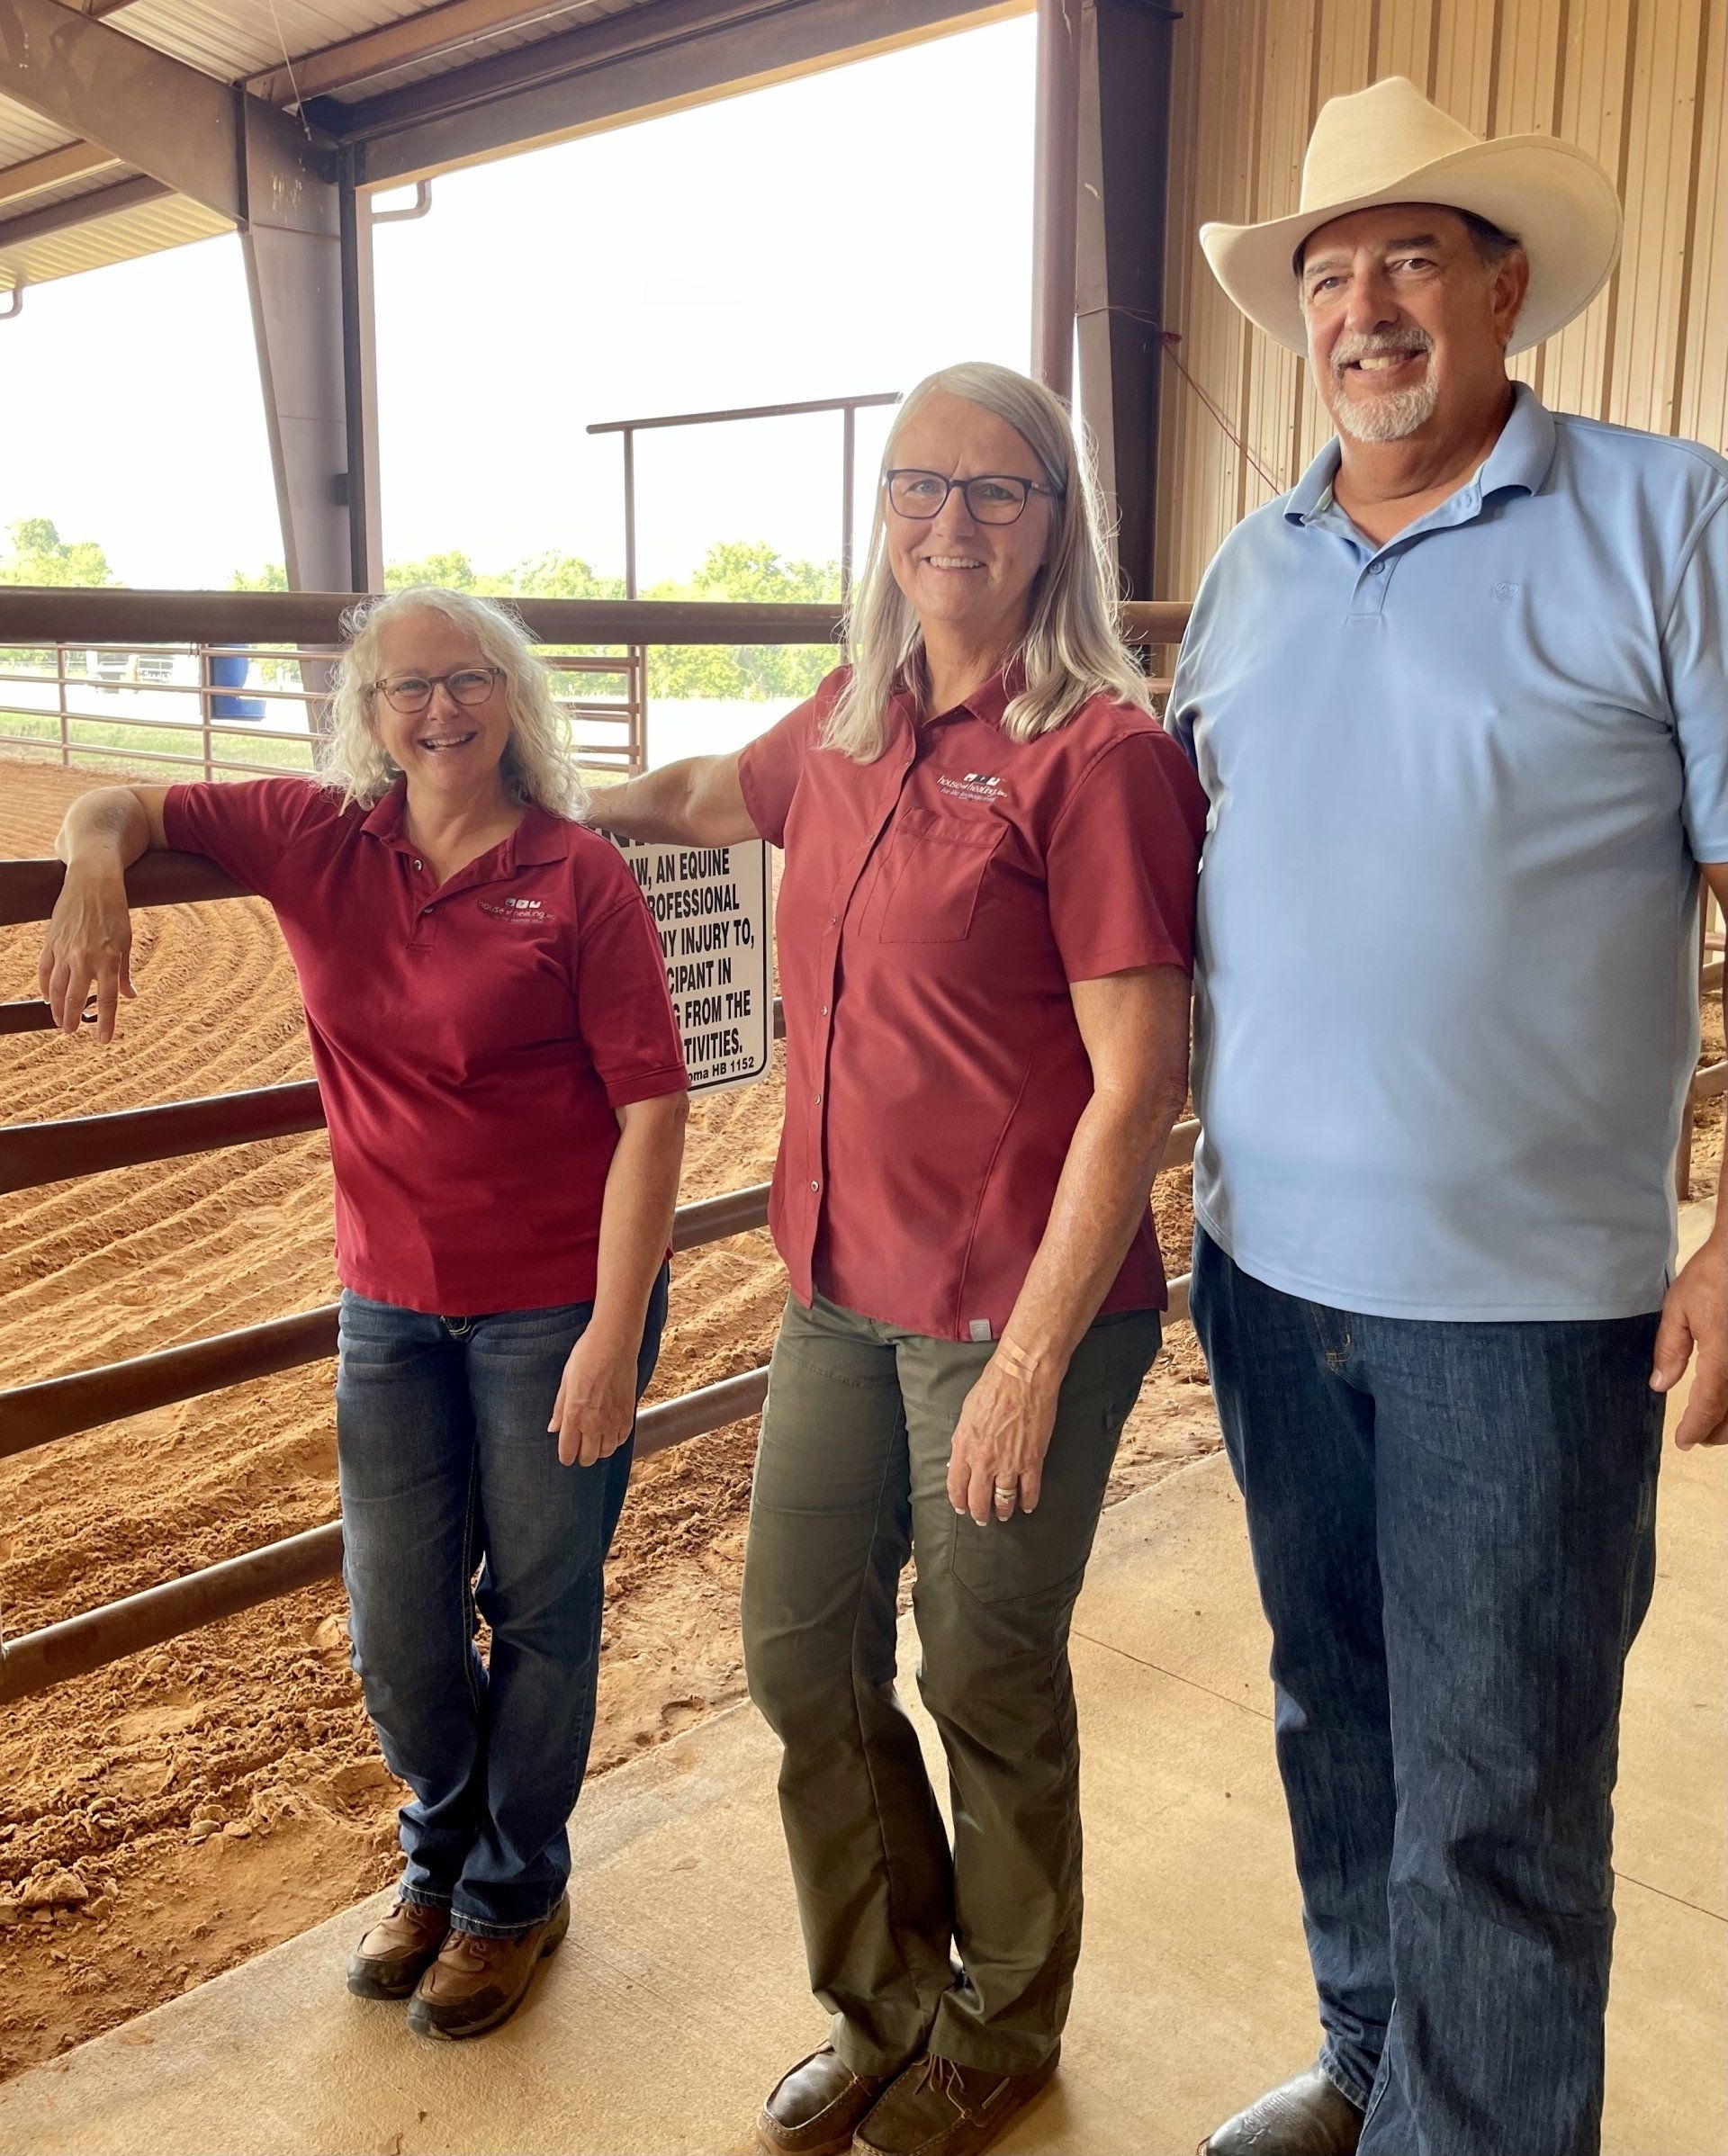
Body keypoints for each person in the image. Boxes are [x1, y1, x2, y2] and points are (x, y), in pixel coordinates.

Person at [1167, 76, 1728, 2156]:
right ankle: (1372, 2059)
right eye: (1329, 276)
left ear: (1508, 289)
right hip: (1264, 1271)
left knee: (1499, 1791)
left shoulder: (1672, 520)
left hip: (1524, 1306)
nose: (1367, 308)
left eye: (1414, 259)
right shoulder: (1249, 571)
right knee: (1338, 1710)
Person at [589, 360, 1206, 2156]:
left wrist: (1030, 1358)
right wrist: (533, 804)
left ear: (1056, 526)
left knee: (984, 1673)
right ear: (881, 514)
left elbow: (1139, 1080)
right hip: (839, 1287)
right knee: (802, 1654)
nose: (951, 518)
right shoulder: (851, 721)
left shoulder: (1099, 757)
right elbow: (711, 791)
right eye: (919, 484)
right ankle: (882, 2002)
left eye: (997, 489)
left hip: (1018, 1308)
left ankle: (1001, 2027)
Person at [38, 588, 689, 2041]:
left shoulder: (575, 873)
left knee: (541, 1606)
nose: (440, 709)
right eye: (409, 687)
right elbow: (121, 804)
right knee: (397, 1624)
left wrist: (611, 1334)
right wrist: (90, 866)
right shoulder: (315, 832)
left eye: (469, 680)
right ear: (369, 712)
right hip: (389, 1304)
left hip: (555, 1304)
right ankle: (440, 1851)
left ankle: (511, 1891)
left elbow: (653, 1112)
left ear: (513, 698)